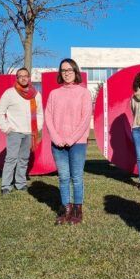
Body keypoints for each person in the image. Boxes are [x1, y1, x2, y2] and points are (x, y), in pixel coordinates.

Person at [45, 58, 92, 225]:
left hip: (77, 143)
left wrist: (71, 138)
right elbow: (48, 117)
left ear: (75, 72)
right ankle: (65, 208)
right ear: (60, 73)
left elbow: (85, 119)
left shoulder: (84, 93)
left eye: (70, 70)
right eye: (63, 70)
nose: (66, 73)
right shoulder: (54, 94)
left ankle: (78, 209)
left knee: (77, 177)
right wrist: (57, 138)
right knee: (63, 177)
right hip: (57, 144)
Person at [0, 67, 43, 196]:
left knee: (23, 159)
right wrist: (6, 128)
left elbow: (39, 113)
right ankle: (6, 185)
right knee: (11, 159)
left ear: (29, 78)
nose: (23, 78)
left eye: (25, 76)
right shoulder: (10, 93)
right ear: (17, 78)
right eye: (20, 76)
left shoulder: (36, 94)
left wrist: (36, 128)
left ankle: (20, 184)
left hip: (29, 132)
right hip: (15, 132)